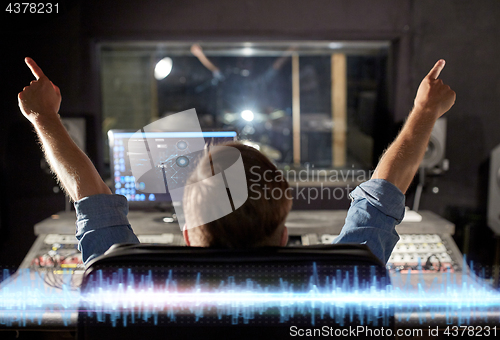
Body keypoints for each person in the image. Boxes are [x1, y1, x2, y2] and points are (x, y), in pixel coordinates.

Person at [18, 57, 455, 266]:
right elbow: (380, 202)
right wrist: (424, 113)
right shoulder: (346, 276)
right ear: (284, 236)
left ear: (188, 236)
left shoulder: (122, 277)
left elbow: (91, 202)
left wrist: (44, 118)